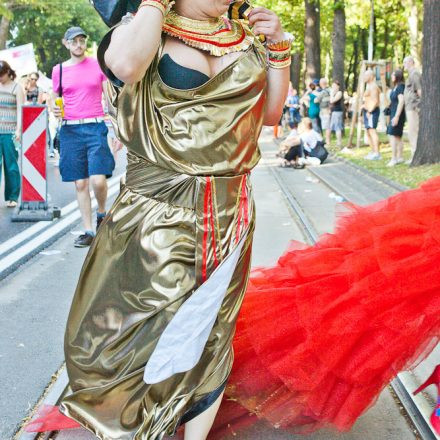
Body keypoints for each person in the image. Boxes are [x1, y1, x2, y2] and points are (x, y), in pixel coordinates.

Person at [27, 1, 290, 439]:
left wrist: (278, 45)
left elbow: (270, 114)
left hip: (229, 210)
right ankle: (137, 423)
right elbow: (127, 65)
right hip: (155, 215)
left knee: (209, 332)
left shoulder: (243, 37)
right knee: (137, 338)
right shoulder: (139, 32)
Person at [51, 26, 115, 248]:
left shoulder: (97, 65)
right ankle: (88, 230)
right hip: (70, 130)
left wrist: (116, 129)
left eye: (82, 40)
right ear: (66, 43)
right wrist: (55, 110)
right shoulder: (58, 70)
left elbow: (109, 98)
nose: (79, 44)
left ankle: (102, 211)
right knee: (80, 183)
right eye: (74, 41)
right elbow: (55, 99)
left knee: (98, 180)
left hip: (95, 126)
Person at [0, 60, 24, 208]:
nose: (0, 78)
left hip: (10, 133)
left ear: (8, 72)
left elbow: (21, 110)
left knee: (11, 166)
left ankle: (12, 196)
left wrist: (18, 129)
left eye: (1, 74)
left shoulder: (17, 87)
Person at [403, 56, 422, 163]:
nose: (404, 64)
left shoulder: (415, 74)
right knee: (411, 131)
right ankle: (413, 154)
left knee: (413, 131)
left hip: (414, 106)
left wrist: (420, 106)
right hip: (410, 106)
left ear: (411, 62)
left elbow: (419, 90)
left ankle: (414, 156)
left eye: (405, 62)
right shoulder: (411, 74)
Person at [386, 70, 406, 167]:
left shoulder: (401, 86)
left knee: (393, 135)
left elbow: (401, 101)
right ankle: (400, 157)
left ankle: (394, 158)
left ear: (398, 76)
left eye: (393, 74)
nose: (391, 76)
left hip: (398, 114)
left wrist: (397, 116)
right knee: (397, 136)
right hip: (394, 112)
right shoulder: (395, 87)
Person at [362, 69, 381, 160]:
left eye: (366, 75)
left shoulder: (373, 86)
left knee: (372, 131)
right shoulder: (368, 86)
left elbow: (375, 100)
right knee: (368, 131)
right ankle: (373, 151)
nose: (364, 77)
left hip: (372, 111)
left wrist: (370, 111)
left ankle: (377, 153)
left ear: (370, 76)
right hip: (367, 110)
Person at [315, 78, 331, 145]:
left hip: (325, 111)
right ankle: (327, 141)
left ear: (321, 84)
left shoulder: (323, 92)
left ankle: (327, 141)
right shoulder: (330, 90)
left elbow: (316, 100)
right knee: (327, 126)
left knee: (326, 127)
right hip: (329, 110)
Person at [330, 79, 344, 149]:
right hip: (334, 112)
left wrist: (331, 94)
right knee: (335, 127)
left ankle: (339, 143)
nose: (333, 87)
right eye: (332, 86)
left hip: (338, 112)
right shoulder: (334, 93)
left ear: (338, 86)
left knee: (338, 127)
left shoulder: (339, 93)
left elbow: (332, 100)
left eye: (334, 86)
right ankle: (338, 142)